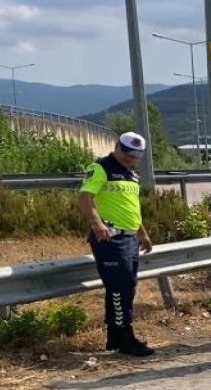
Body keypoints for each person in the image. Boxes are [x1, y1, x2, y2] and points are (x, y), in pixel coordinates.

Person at [77, 132, 154, 357]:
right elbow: (85, 197)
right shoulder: (101, 168)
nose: (131, 158)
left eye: (135, 156)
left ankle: (115, 337)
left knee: (127, 286)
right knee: (120, 288)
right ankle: (125, 338)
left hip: (130, 237)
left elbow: (131, 206)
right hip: (110, 238)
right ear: (117, 147)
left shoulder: (131, 174)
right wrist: (97, 224)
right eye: (127, 153)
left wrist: (142, 233)